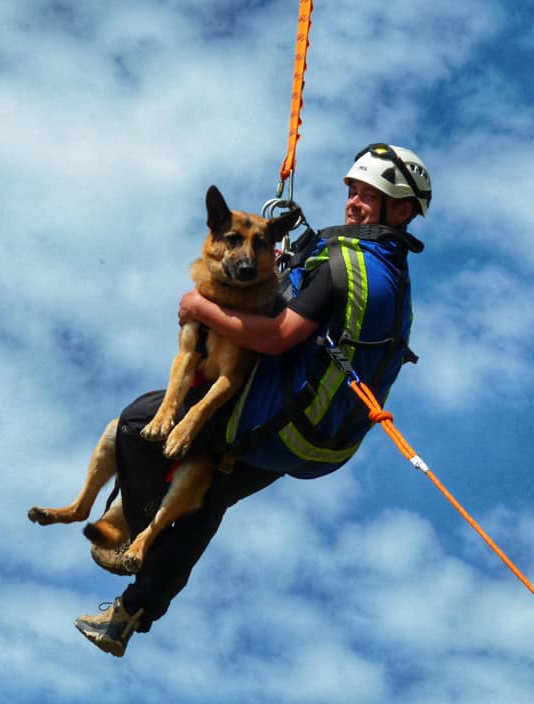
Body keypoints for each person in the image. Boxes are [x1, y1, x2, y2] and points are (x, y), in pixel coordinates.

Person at [75, 143, 432, 656]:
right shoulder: (394, 281)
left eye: (370, 196)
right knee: (207, 495)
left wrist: (199, 305)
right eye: (353, 191)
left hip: (275, 420)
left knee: (136, 425)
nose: (354, 202)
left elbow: (276, 337)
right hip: (319, 442)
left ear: (402, 211)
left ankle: (130, 525)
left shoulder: (343, 264)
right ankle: (129, 615)